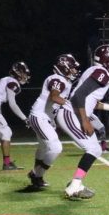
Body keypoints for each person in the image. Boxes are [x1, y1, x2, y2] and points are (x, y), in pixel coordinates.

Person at [56, 44, 109, 199]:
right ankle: (74, 187)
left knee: (95, 148)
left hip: (73, 113)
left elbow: (89, 99)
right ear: (108, 59)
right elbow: (79, 96)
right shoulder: (103, 73)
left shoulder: (94, 71)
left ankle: (76, 184)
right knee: (94, 149)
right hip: (72, 114)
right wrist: (85, 121)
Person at [26, 54, 79, 189]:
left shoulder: (64, 81)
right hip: (40, 116)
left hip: (45, 117)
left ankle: (37, 176)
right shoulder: (57, 79)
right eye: (72, 67)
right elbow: (54, 96)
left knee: (44, 147)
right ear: (65, 67)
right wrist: (70, 105)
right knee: (55, 147)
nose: (74, 70)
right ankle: (36, 174)